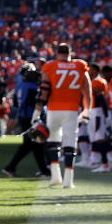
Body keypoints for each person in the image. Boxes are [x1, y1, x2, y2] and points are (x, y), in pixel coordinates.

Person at [39, 43, 93, 188]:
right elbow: (87, 90)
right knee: (70, 143)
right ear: (71, 53)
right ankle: (69, 180)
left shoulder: (50, 66)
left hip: (53, 108)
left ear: (57, 53)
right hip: (71, 109)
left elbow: (44, 90)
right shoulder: (80, 66)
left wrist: (38, 110)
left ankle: (55, 177)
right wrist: (87, 109)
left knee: (52, 142)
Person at [2, 64, 50, 178]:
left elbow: (17, 103)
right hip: (31, 117)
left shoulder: (19, 85)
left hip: (23, 115)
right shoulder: (32, 87)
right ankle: (10, 167)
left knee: (37, 145)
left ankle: (44, 170)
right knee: (29, 145)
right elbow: (33, 101)